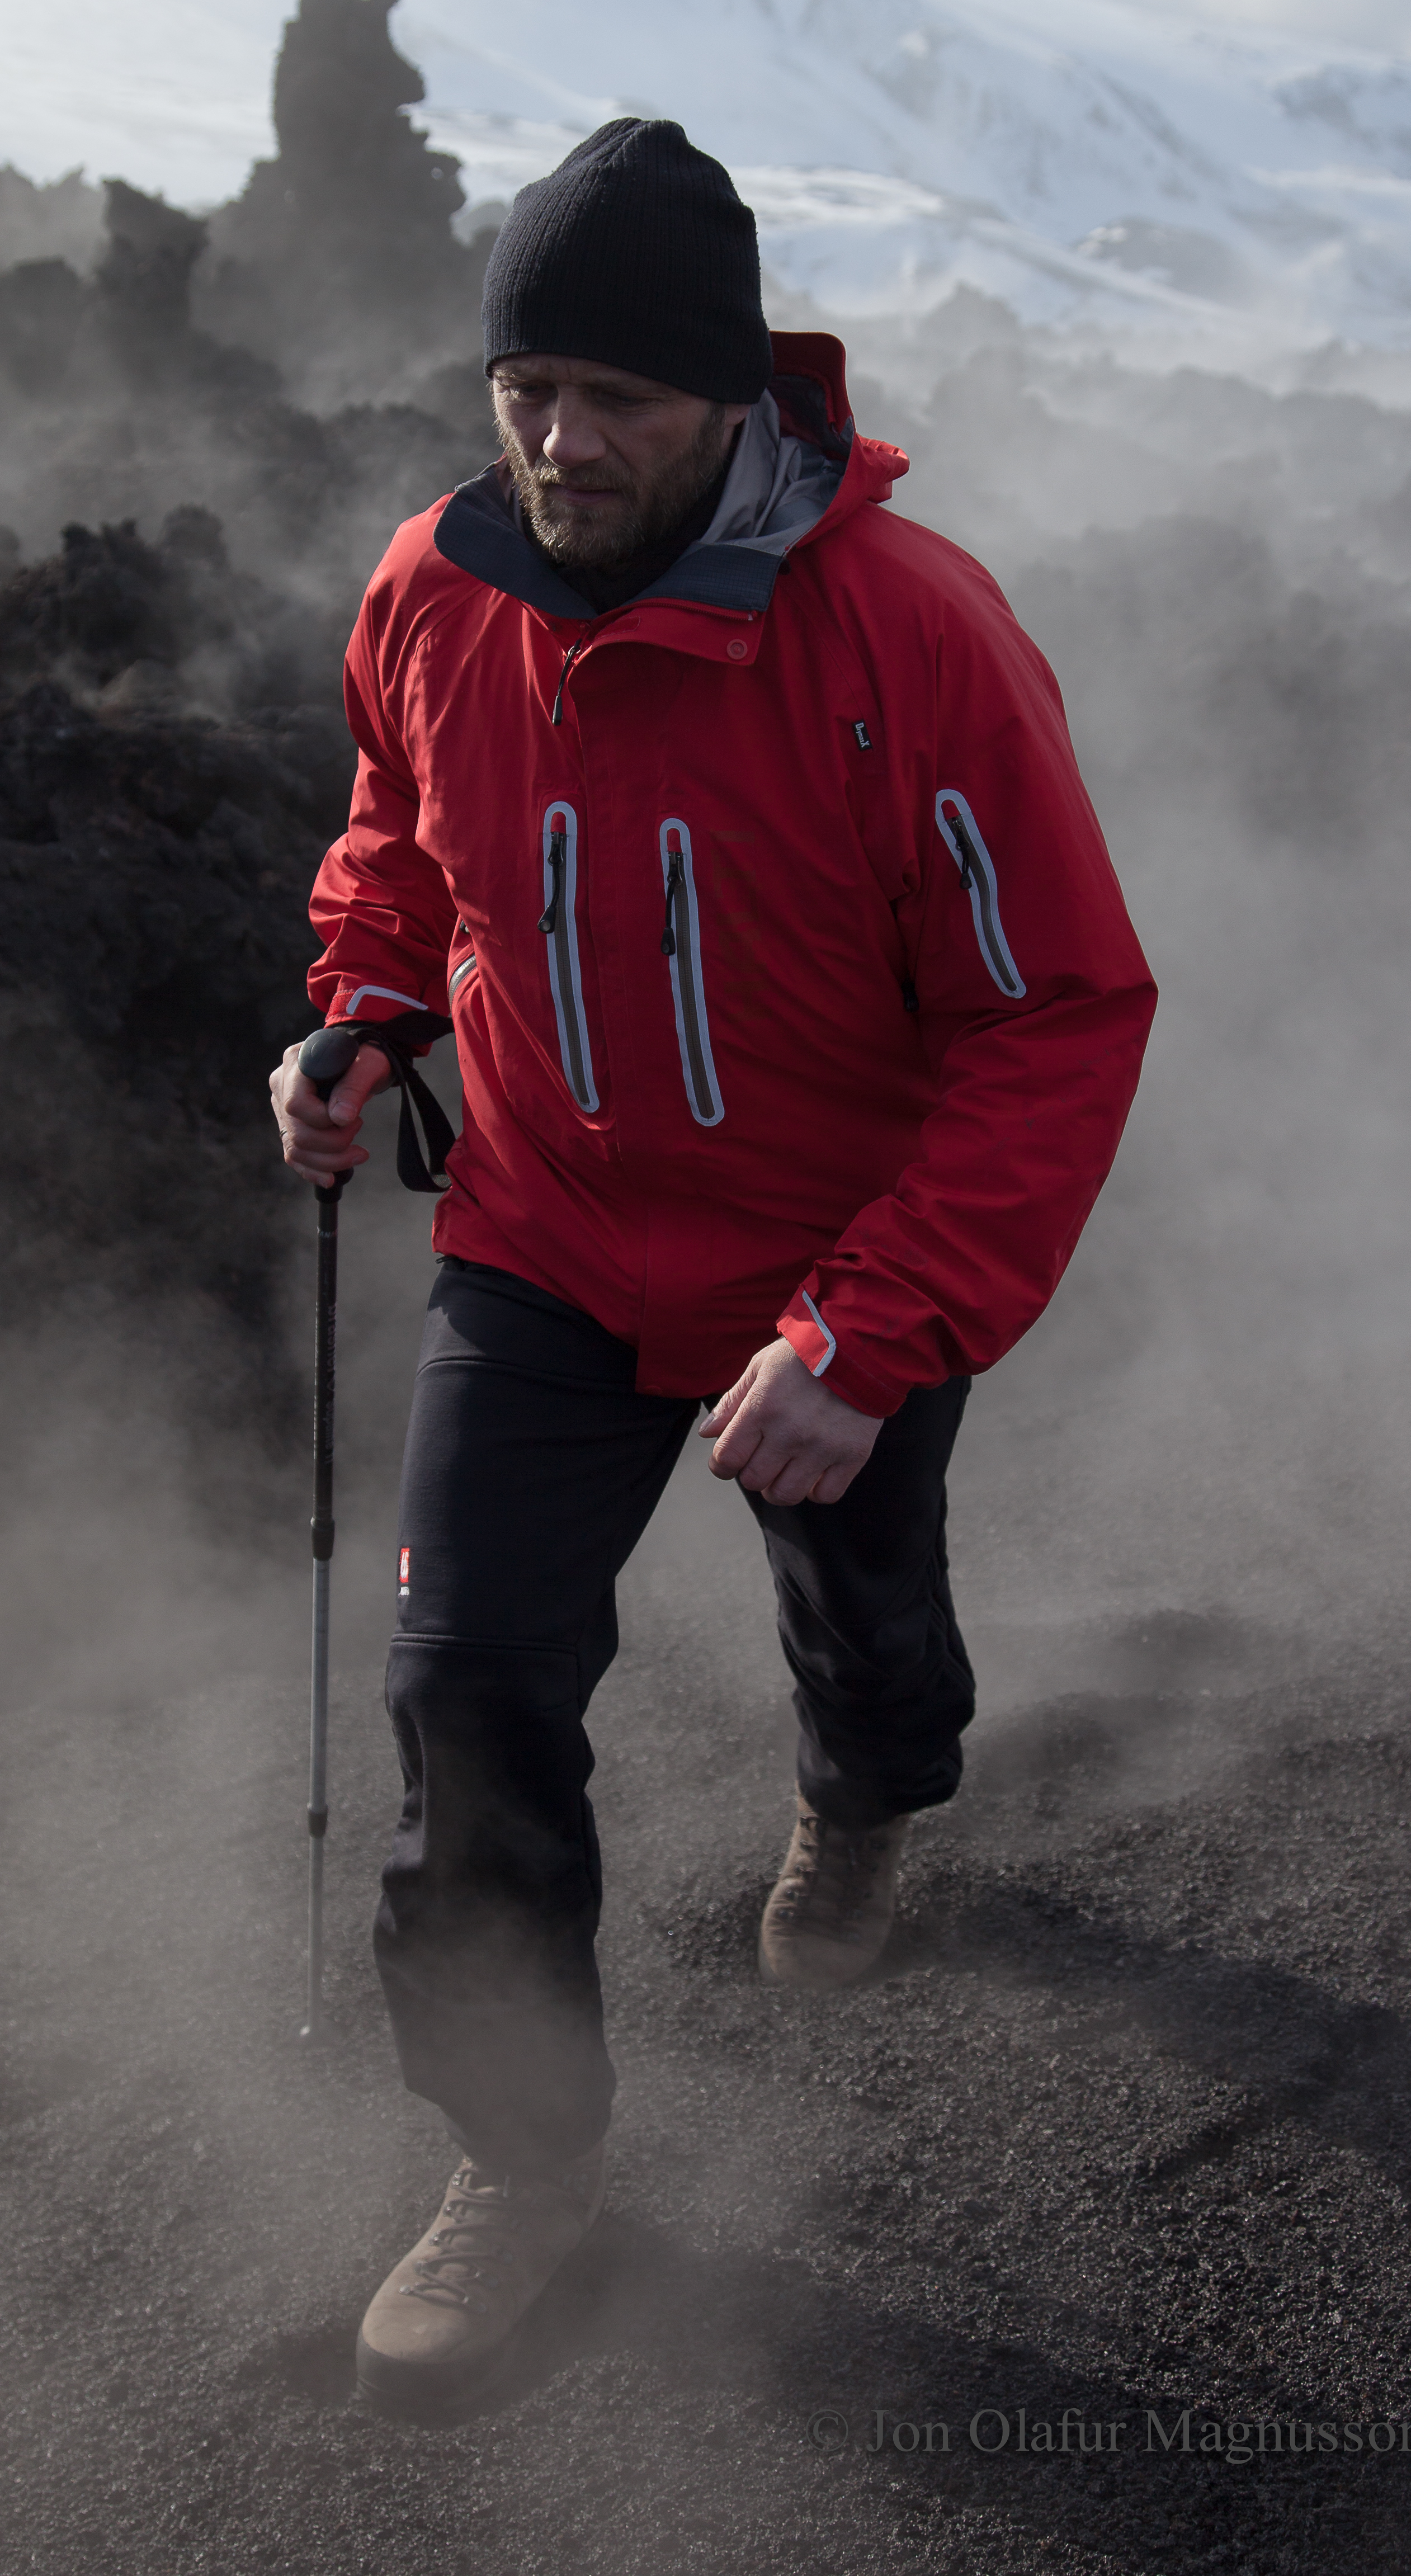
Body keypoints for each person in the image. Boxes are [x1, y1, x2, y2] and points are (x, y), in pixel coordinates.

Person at [270, 118, 1156, 2418]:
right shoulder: (434, 587)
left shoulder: (910, 634)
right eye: (527, 387)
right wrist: (364, 1006)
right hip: (542, 1240)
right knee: (464, 1690)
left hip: (829, 1264)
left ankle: (864, 1806)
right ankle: (526, 2163)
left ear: (735, 397)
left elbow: (1056, 1010)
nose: (561, 442)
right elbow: (399, 832)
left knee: (865, 1620)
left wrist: (870, 1333)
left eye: (618, 400)